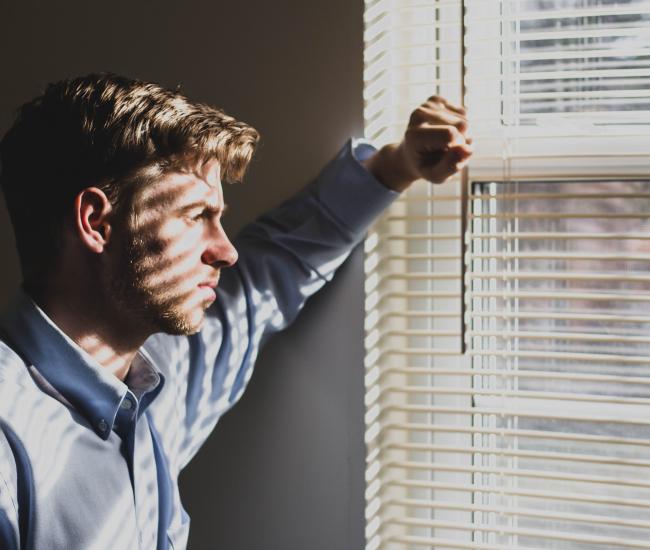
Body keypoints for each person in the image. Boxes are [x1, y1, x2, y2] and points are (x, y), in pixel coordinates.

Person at [0, 73, 471, 550]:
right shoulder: (10, 446)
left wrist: (396, 166)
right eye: (196, 216)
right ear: (97, 222)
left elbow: (274, 268)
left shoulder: (159, 377)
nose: (226, 251)